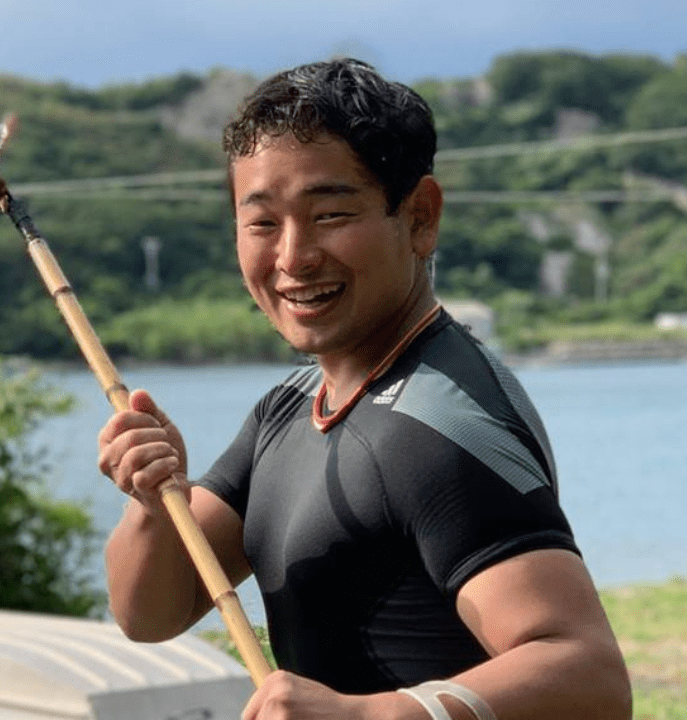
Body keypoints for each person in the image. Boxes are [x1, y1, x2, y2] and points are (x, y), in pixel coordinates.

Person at [98, 58, 632, 720]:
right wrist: (153, 503)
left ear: (420, 217)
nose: (293, 256)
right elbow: (150, 613)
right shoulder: (289, 409)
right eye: (263, 222)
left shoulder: (440, 430)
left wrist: (366, 715)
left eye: (329, 214)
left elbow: (589, 675)